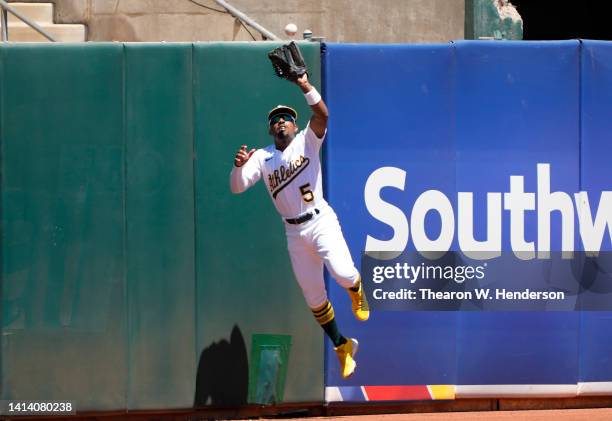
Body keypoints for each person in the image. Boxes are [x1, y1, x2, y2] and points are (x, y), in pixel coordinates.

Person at [229, 73, 369, 379]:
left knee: (344, 273)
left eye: (286, 118)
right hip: (293, 232)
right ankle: (342, 346)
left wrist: (304, 85)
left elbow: (322, 115)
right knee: (314, 298)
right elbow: (237, 187)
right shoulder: (262, 157)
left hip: (320, 221)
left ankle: (357, 288)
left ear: (294, 125)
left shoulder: (307, 140)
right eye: (276, 120)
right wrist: (238, 167)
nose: (281, 122)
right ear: (270, 128)